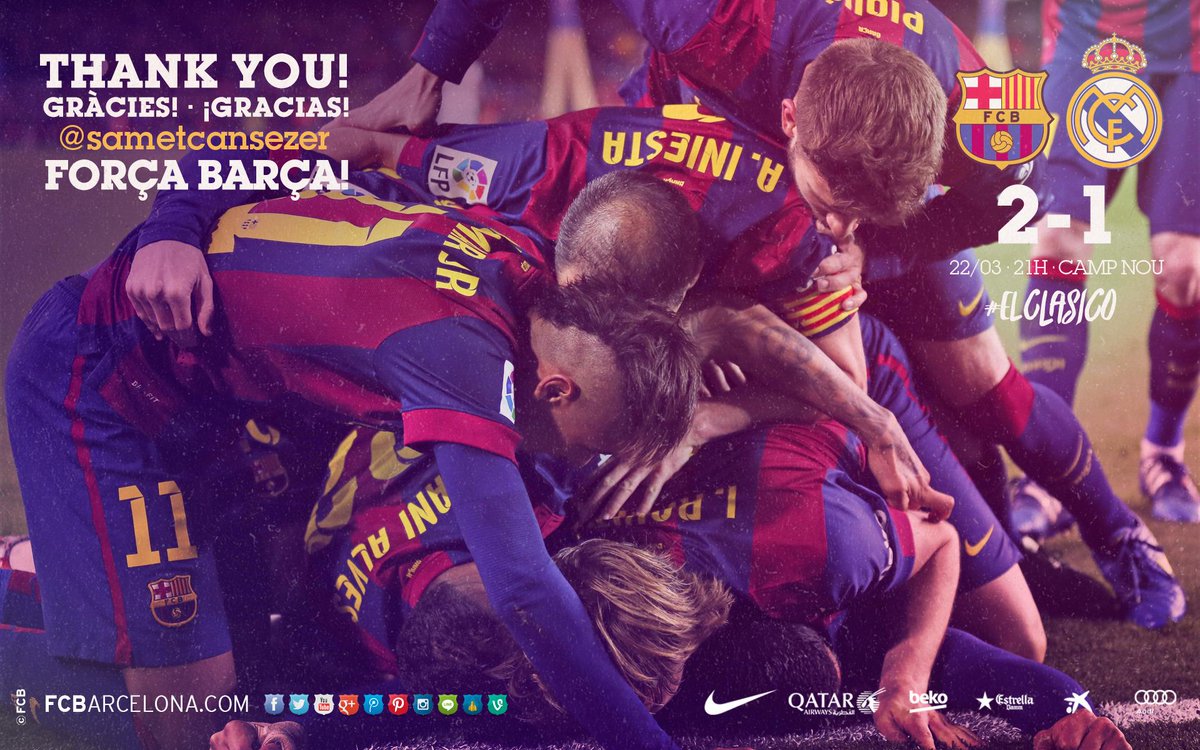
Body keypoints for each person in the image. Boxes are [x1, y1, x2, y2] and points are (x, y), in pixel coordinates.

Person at [338, 0, 1185, 629]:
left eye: (855, 211)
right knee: (650, 341)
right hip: (698, 179)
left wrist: (879, 250)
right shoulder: (711, 19)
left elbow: (1007, 200)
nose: (835, 226)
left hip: (879, 224)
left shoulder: (984, 114)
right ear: (788, 120)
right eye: (829, 200)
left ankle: (1114, 536)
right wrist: (430, 71)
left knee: (977, 382)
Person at [4, 177, 701, 749]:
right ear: (556, 390)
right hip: (106, 386)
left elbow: (306, 151)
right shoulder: (466, 358)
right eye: (591, 444)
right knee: (191, 725)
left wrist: (173, 225)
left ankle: (34, 570)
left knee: (237, 661)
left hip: (207, 406)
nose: (582, 460)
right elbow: (522, 587)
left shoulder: (518, 254)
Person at [1017, 5, 1200, 529]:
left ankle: (1163, 452)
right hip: (1085, 39)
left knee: (1184, 270)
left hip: (1189, 51)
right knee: (1057, 238)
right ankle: (1047, 471)